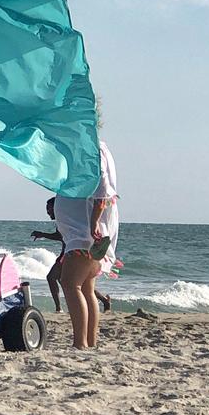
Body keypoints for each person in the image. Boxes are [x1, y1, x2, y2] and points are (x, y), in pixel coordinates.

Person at [54, 140, 120, 349]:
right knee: (86, 288)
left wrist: (93, 222)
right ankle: (89, 343)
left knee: (70, 284)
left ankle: (80, 343)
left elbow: (103, 187)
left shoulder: (92, 148)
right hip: (83, 230)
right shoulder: (92, 146)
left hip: (84, 231)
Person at [31, 197, 111, 313]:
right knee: (79, 284)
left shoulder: (63, 219)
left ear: (57, 208)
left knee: (55, 278)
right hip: (67, 253)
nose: (48, 213)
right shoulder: (63, 219)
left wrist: (43, 234)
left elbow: (61, 236)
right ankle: (103, 300)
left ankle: (59, 308)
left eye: (49, 210)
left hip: (69, 254)